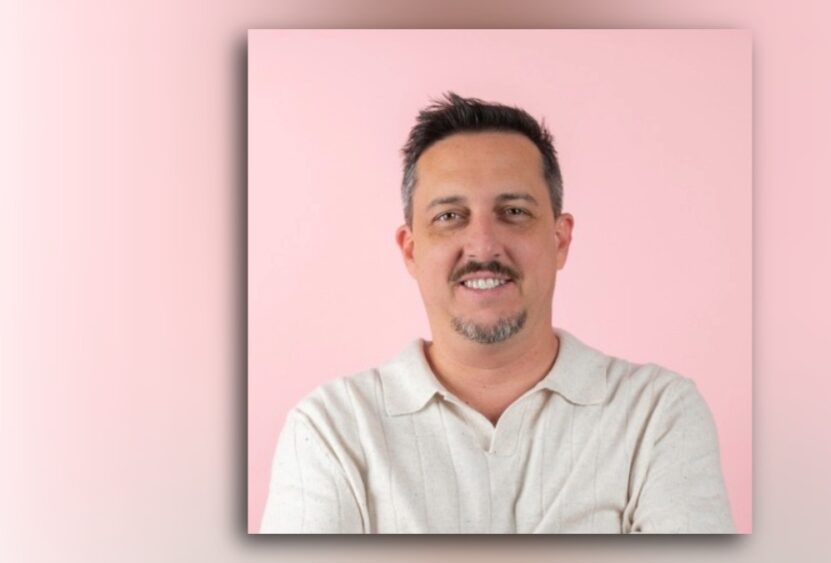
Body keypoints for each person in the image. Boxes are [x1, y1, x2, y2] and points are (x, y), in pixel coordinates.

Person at [259, 92, 735, 534]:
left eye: (513, 212)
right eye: (449, 216)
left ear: (560, 238)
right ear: (410, 249)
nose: (484, 246)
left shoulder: (657, 414)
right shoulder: (331, 430)